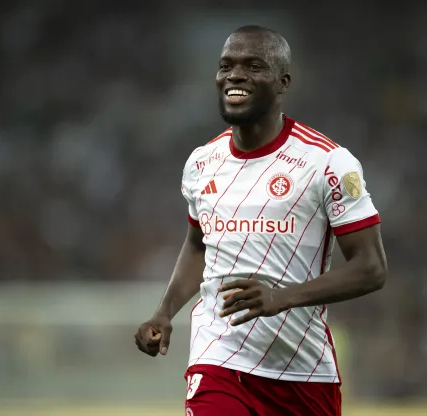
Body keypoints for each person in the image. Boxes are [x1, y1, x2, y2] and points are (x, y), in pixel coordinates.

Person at [134, 25, 388, 416]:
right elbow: (199, 243)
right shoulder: (202, 162)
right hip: (218, 359)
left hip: (302, 374)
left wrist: (279, 298)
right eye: (226, 66)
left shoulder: (327, 163)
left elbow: (371, 268)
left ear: (283, 82)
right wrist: (165, 312)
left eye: (253, 66)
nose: (235, 75)